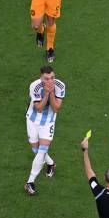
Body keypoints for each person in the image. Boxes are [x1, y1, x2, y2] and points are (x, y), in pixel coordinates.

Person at [24, 66, 65, 196]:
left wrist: (51, 92)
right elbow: (39, 108)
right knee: (36, 150)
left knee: (41, 151)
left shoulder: (60, 85)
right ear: (41, 78)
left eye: (52, 78)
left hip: (48, 122)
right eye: (46, 79)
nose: (50, 81)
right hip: (32, 120)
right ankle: (51, 163)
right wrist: (46, 93)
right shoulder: (34, 86)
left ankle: (30, 182)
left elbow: (57, 108)